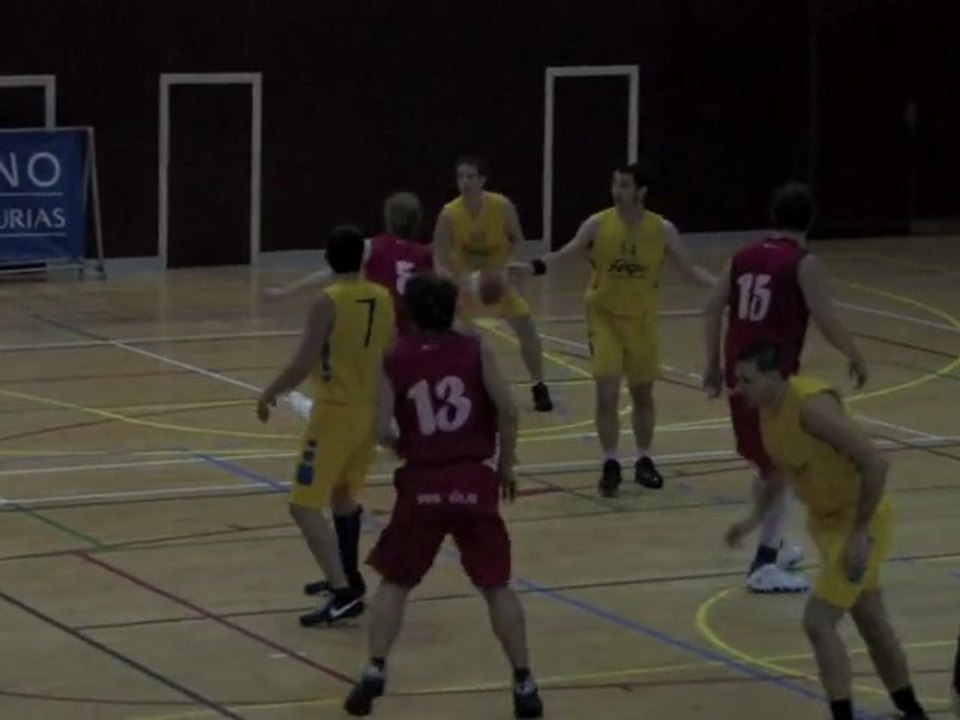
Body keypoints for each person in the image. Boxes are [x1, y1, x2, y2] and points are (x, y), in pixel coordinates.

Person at [343, 273, 544, 719]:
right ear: (452, 308)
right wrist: (507, 465)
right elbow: (510, 413)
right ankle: (524, 680)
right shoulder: (476, 350)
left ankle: (375, 667)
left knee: (396, 582)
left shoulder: (394, 358)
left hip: (423, 482)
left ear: (410, 312)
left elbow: (379, 429)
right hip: (473, 479)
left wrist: (405, 447)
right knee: (496, 586)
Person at [725, 341, 928, 720]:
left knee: (818, 623)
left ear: (774, 376)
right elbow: (779, 473)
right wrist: (751, 521)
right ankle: (912, 710)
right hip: (826, 523)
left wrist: (859, 533)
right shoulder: (769, 412)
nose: (739, 388)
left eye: (746, 379)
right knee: (870, 618)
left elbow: (875, 465)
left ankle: (842, 714)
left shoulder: (813, 408)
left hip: (859, 521)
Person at [702, 182, 869, 593]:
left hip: (740, 372)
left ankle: (771, 543)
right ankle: (763, 563)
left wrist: (710, 363)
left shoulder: (743, 256)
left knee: (773, 463)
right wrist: (854, 353)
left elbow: (711, 307)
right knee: (781, 466)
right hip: (771, 382)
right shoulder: (801, 262)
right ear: (810, 219)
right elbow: (825, 317)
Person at [515, 162, 715, 496]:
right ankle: (610, 462)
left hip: (642, 321)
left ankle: (644, 459)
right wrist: (533, 267)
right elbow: (567, 253)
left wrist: (723, 285)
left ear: (641, 192)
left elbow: (690, 270)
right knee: (607, 393)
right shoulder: (597, 224)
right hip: (603, 317)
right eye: (614, 185)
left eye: (624, 186)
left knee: (642, 395)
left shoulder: (661, 229)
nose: (616, 191)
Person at [257, 225, 395, 627]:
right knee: (342, 499)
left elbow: (302, 363)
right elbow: (387, 364)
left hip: (335, 415)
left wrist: (268, 393)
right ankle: (346, 576)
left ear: (328, 259)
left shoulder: (328, 300)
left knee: (303, 505)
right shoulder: (383, 297)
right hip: (367, 412)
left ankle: (343, 591)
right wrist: (385, 420)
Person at [432, 155, 554, 412]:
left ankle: (539, 385)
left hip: (498, 278)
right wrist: (459, 277)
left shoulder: (501, 206)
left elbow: (519, 240)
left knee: (526, 327)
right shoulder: (449, 213)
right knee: (456, 335)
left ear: (482, 180)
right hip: (467, 283)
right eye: (461, 177)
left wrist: (511, 270)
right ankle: (462, 386)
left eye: (470, 176)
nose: (464, 182)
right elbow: (441, 251)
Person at [263, 192, 432, 336]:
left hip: (375, 325)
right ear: (417, 221)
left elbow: (330, 274)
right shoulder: (424, 255)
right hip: (410, 330)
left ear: (387, 219)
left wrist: (287, 291)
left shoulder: (372, 247)